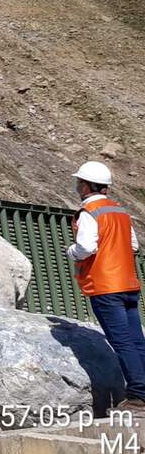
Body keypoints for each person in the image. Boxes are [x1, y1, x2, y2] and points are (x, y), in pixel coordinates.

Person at [66, 161, 145, 415]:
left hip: (105, 286)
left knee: (122, 343)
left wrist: (72, 252)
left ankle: (138, 398)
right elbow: (133, 246)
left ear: (87, 186)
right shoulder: (119, 211)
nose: (78, 186)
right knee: (137, 342)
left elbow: (86, 247)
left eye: (79, 182)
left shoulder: (90, 211)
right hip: (129, 284)